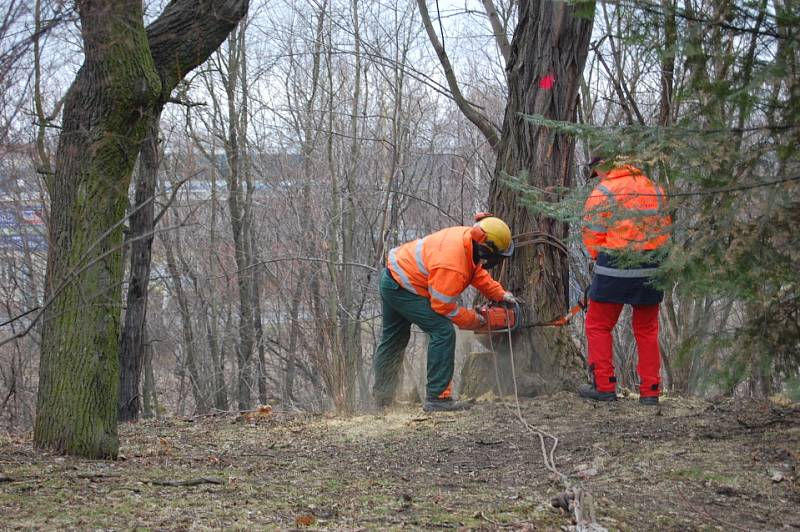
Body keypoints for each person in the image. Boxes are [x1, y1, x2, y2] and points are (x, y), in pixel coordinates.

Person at [373, 214, 517, 412]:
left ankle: (383, 398)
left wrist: (500, 294)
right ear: (487, 249)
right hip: (402, 288)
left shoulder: (469, 240)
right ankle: (438, 398)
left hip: (394, 277)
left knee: (394, 338)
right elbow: (443, 307)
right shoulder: (452, 265)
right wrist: (475, 320)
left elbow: (476, 272)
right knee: (443, 331)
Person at [579, 154, 672, 405]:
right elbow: (665, 230)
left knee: (598, 325)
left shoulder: (603, 192)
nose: (596, 177)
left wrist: (602, 258)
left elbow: (592, 234)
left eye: (596, 172)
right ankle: (651, 392)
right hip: (652, 266)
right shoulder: (654, 188)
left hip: (613, 268)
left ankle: (604, 385)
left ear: (602, 167)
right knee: (648, 329)